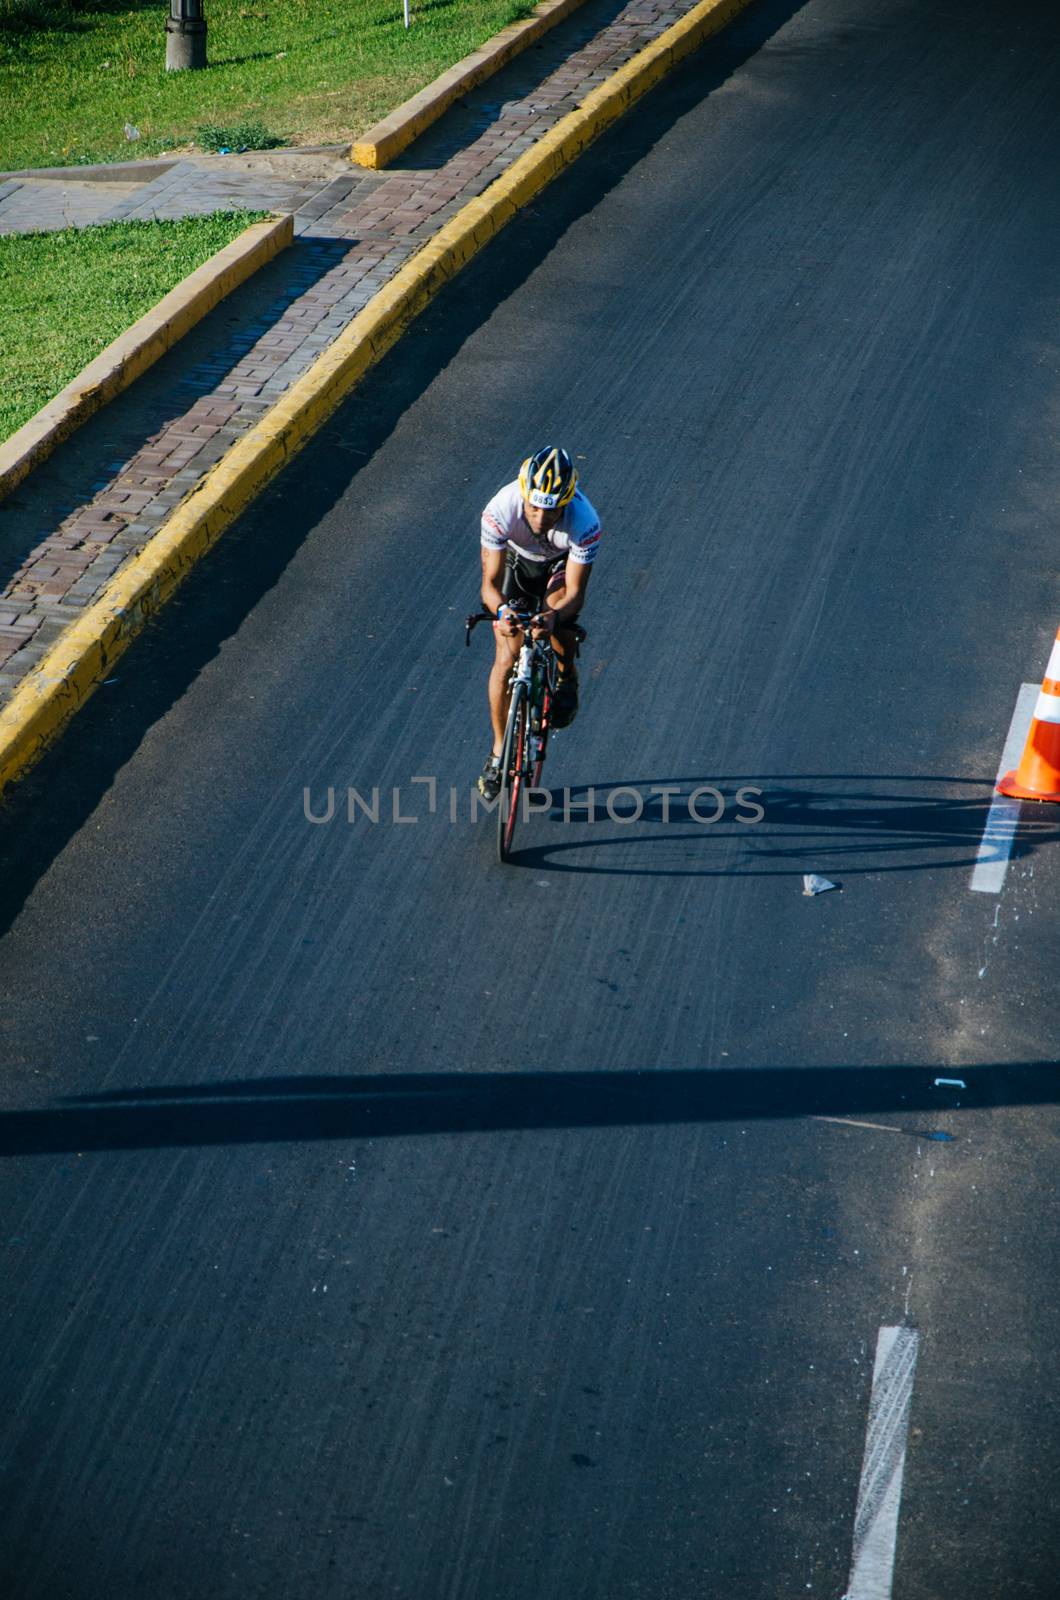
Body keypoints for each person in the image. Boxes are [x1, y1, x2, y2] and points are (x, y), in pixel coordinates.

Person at [477, 446, 602, 800]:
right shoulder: (500, 510)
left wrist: (555, 617)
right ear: (523, 494)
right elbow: (489, 585)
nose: (541, 516)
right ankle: (499, 752)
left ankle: (566, 675)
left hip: (561, 565)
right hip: (518, 562)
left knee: (555, 608)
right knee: (507, 652)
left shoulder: (585, 522)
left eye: (551, 510)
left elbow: (576, 594)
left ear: (566, 502)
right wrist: (502, 612)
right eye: (534, 506)